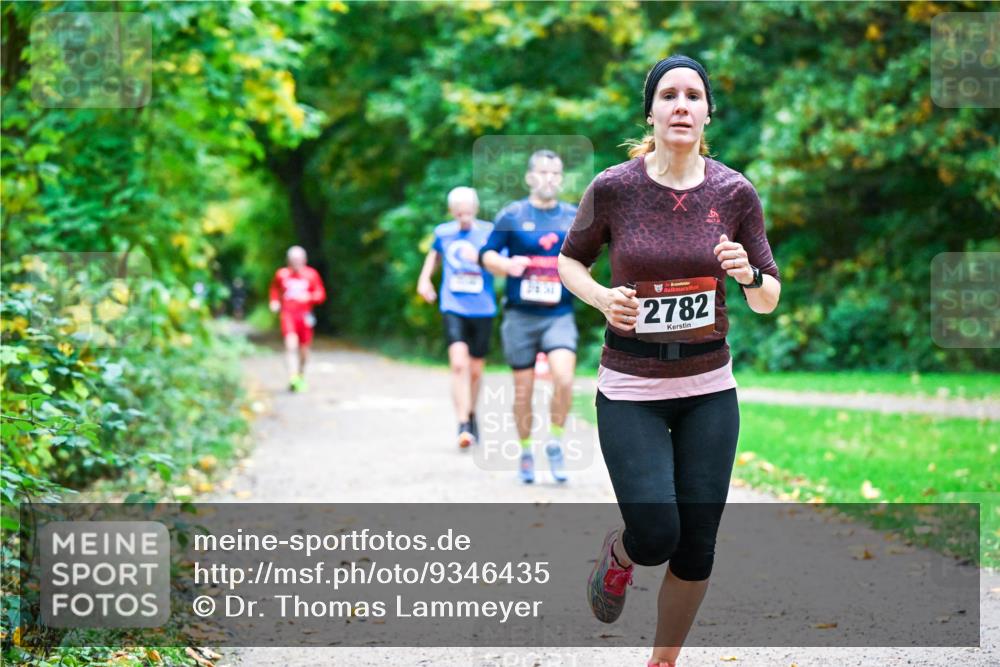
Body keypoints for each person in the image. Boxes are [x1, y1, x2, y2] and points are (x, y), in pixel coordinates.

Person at [557, 55, 781, 667]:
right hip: (631, 387)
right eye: (669, 95)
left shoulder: (735, 192)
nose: (681, 105)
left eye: (693, 96)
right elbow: (568, 260)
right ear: (651, 112)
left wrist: (750, 273)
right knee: (657, 535)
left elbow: (768, 299)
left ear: (708, 113)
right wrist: (603, 298)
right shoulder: (613, 187)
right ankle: (622, 557)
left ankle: (663, 660)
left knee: (696, 547)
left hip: (710, 386)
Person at [479, 149, 578, 485]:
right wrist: (505, 266)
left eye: (555, 173)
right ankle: (524, 451)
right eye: (542, 172)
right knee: (523, 390)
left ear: (561, 179)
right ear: (530, 177)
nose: (548, 178)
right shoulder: (512, 215)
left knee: (564, 379)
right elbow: (487, 254)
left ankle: (554, 442)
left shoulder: (573, 217)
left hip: (558, 314)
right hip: (520, 315)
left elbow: (586, 259)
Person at [416, 186, 497, 449]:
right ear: (452, 211)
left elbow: (499, 262)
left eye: (468, 211)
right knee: (458, 365)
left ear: (475, 209)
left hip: (483, 308)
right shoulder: (443, 232)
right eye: (459, 212)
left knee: (475, 371)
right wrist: (424, 279)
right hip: (454, 306)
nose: (464, 216)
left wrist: (484, 260)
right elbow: (434, 255)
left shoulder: (488, 232)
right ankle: (462, 424)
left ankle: (471, 414)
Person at [269, 245, 327, 392]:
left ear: (304, 260)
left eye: (299, 259)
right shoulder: (281, 274)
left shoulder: (311, 275)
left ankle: (300, 375)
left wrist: (310, 297)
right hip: (288, 315)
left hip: (305, 316)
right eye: (293, 259)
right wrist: (274, 302)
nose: (296, 262)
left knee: (304, 351)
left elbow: (321, 294)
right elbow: (274, 290)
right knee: (290, 345)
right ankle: (292, 377)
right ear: (288, 260)